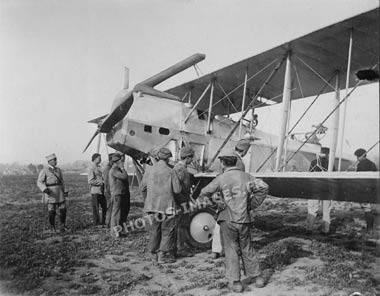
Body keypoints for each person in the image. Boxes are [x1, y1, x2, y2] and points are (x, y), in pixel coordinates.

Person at [198, 150, 268, 293]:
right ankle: (257, 278)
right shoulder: (247, 177)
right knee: (247, 247)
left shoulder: (221, 178)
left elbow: (204, 193)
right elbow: (264, 187)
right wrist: (251, 205)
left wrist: (216, 205)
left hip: (227, 219)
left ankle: (236, 282)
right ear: (236, 162)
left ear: (223, 163)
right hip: (244, 218)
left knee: (231, 250)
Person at [140, 147, 182, 264]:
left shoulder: (149, 171)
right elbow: (177, 190)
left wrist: (147, 201)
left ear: (158, 157)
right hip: (167, 207)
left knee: (154, 231)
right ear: (168, 158)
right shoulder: (171, 171)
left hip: (152, 206)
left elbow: (142, 188)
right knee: (167, 230)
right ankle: (162, 255)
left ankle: (152, 254)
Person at [211, 139, 251, 259]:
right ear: (244, 150)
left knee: (220, 221)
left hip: (222, 192)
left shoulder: (225, 157)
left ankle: (215, 250)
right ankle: (233, 249)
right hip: (234, 195)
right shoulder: (240, 163)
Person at [306, 147, 335, 234]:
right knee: (326, 210)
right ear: (328, 154)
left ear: (320, 152)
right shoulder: (331, 164)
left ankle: (309, 229)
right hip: (327, 188)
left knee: (312, 209)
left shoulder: (314, 162)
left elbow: (310, 174)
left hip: (315, 188)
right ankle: (325, 230)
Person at [37, 153, 68, 233]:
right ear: (49, 161)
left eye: (56, 159)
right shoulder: (44, 170)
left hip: (59, 193)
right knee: (52, 211)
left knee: (63, 210)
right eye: (54, 160)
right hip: (50, 193)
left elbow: (62, 182)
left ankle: (62, 226)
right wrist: (45, 189)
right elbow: (39, 182)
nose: (55, 161)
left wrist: (65, 191)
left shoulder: (58, 170)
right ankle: (52, 227)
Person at [173, 146, 195, 258]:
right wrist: (184, 201)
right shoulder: (181, 169)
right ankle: (180, 248)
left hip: (183, 200)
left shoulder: (180, 167)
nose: (192, 160)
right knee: (181, 224)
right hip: (181, 202)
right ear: (188, 157)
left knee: (182, 224)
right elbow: (177, 188)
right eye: (192, 157)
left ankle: (181, 245)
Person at [354, 148, 379, 233]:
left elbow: (358, 179)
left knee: (367, 209)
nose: (357, 159)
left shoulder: (361, 165)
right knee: (368, 209)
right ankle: (370, 228)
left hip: (364, 190)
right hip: (372, 190)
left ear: (361, 156)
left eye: (357, 156)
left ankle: (370, 229)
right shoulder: (372, 164)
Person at [109, 153, 130, 237]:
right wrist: (122, 168)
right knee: (116, 214)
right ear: (117, 161)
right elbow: (124, 177)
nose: (122, 162)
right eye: (120, 161)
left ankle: (119, 231)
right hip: (117, 194)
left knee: (119, 214)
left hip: (120, 194)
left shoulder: (116, 169)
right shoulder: (114, 170)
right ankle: (114, 233)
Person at [88, 153, 107, 226]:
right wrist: (101, 182)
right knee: (96, 208)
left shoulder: (99, 167)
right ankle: (96, 223)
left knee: (104, 206)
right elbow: (90, 181)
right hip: (95, 191)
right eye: (99, 158)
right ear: (95, 159)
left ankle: (104, 221)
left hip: (101, 191)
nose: (100, 159)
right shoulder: (91, 168)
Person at [103, 153, 114, 227]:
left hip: (109, 190)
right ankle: (108, 222)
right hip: (109, 190)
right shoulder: (108, 169)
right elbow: (107, 182)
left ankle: (109, 222)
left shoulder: (108, 168)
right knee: (110, 206)